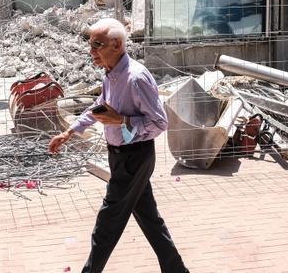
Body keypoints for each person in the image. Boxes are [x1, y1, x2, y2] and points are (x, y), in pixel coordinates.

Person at [49, 18, 189, 273]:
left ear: (116, 44)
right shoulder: (111, 74)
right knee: (150, 220)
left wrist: (123, 120)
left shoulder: (135, 78)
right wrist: (71, 131)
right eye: (89, 44)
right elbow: (101, 107)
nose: (91, 51)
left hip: (134, 158)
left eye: (97, 45)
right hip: (121, 157)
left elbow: (160, 123)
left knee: (107, 224)